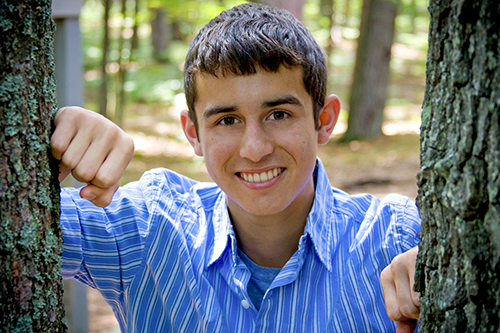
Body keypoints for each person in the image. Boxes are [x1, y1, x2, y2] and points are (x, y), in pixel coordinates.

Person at [51, 3, 420, 332]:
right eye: (227, 120)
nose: (255, 149)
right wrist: (49, 144)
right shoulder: (143, 230)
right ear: (193, 134)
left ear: (324, 120)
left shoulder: (397, 240)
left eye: (278, 114)